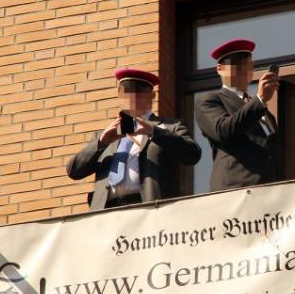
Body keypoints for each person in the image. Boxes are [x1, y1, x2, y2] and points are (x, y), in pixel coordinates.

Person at [66, 69, 201, 210]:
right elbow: (74, 171)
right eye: (127, 91)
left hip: (149, 210)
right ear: (119, 95)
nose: (133, 97)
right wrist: (101, 142)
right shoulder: (107, 135)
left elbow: (193, 154)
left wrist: (154, 132)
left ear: (152, 96)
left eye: (140, 91)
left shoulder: (170, 126)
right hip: (107, 214)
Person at [195, 39, 280, 191]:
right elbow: (223, 130)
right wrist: (259, 100)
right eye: (235, 63)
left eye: (246, 63)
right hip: (236, 190)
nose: (242, 68)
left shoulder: (266, 114)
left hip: (269, 192)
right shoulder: (209, 100)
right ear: (220, 69)